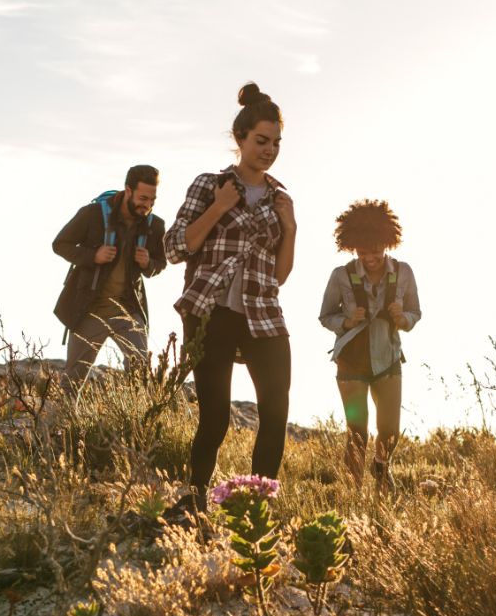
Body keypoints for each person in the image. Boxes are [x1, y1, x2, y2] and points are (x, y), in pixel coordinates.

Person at [162, 83, 297, 518]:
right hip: (210, 310)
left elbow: (278, 276)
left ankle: (257, 507)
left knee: (276, 411)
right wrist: (219, 207)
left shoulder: (281, 199)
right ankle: (196, 499)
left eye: (276, 142)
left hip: (263, 316)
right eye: (261, 141)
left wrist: (290, 229)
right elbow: (174, 248)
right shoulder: (209, 184)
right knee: (216, 413)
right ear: (240, 138)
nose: (269, 150)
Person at [319, 200, 419, 490]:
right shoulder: (341, 275)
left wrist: (404, 319)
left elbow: (416, 312)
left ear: (387, 243)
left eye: (375, 250)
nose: (370, 257)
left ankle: (380, 466)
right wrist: (347, 321)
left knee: (389, 430)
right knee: (357, 429)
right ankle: (352, 488)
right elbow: (326, 315)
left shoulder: (403, 273)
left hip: (388, 358)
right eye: (363, 252)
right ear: (353, 248)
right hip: (351, 361)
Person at [52, 164, 166, 383]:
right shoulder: (92, 214)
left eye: (152, 200)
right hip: (89, 309)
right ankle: (61, 418)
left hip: (129, 310)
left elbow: (161, 262)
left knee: (141, 376)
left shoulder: (155, 225)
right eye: (143, 199)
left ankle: (134, 418)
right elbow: (60, 244)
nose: (148, 205)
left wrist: (148, 263)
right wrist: (93, 256)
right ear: (128, 191)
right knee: (73, 380)